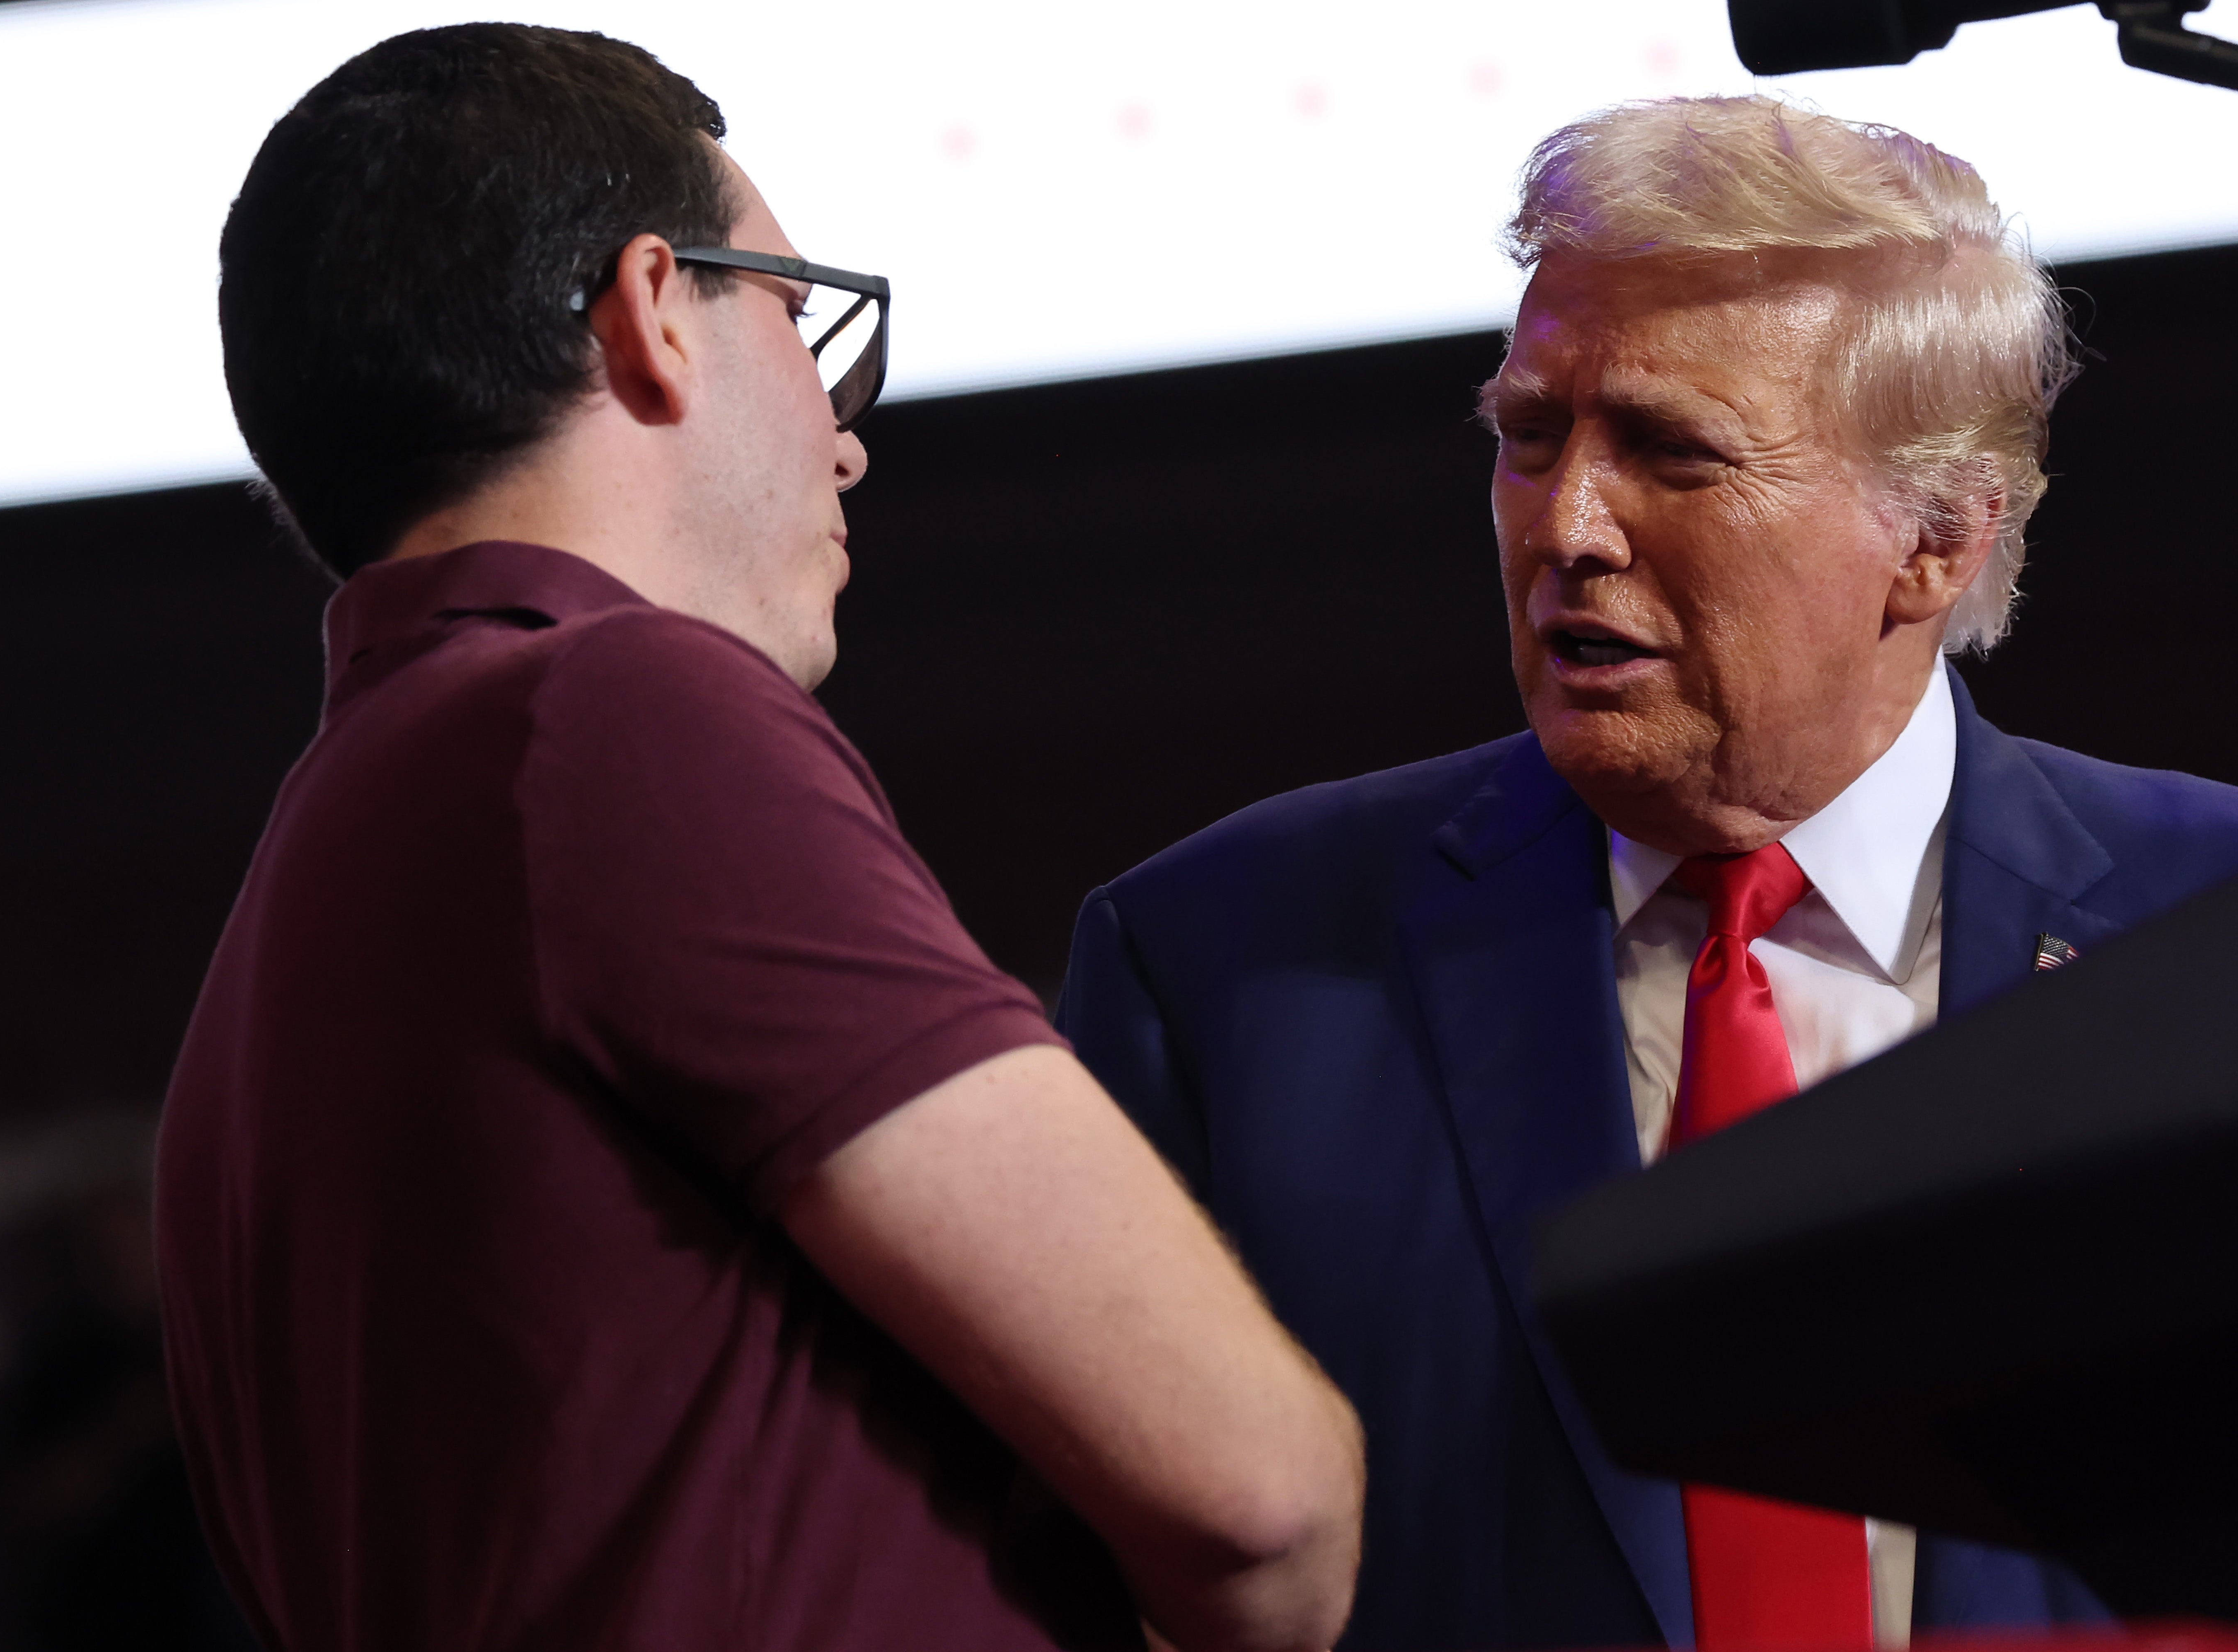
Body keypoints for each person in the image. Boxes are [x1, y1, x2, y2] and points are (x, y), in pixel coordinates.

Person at [1055, 96, 2238, 1652]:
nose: (1567, 529)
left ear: (1935, 537)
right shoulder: (1219, 965)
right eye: (1531, 439)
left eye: (1673, 452)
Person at [154, 24, 1362, 1652]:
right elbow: (1262, 1487)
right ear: (655, 309)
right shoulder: (607, 719)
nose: (847, 433)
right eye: (800, 322)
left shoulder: (293, 908)